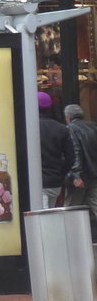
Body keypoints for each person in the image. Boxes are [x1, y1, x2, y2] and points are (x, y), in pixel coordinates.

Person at [63, 103, 97, 240]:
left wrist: (76, 175)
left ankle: (70, 240)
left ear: (69, 117)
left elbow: (75, 151)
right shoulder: (94, 126)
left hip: (81, 177)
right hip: (94, 175)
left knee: (71, 209)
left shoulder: (70, 129)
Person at [39, 92, 72, 211]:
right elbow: (71, 158)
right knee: (51, 212)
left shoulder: (28, 127)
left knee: (44, 217)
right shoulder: (61, 128)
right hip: (55, 182)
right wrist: (60, 173)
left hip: (38, 181)